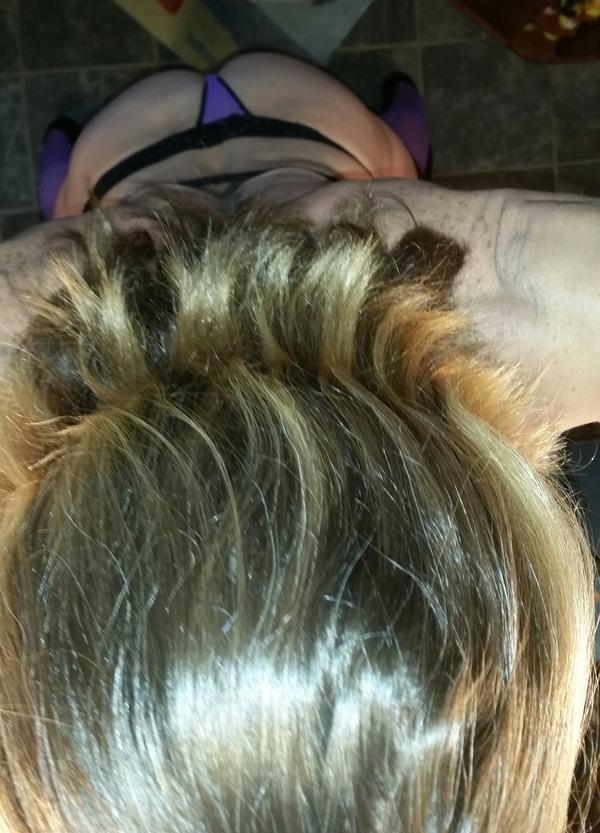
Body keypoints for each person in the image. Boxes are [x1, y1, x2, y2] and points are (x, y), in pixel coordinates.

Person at [0, 53, 597, 833]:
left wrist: (435, 249)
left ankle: (391, 151)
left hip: (301, 148)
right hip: (172, 152)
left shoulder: (474, 330)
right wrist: (76, 265)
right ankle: (72, 184)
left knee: (387, 155)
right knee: (85, 175)